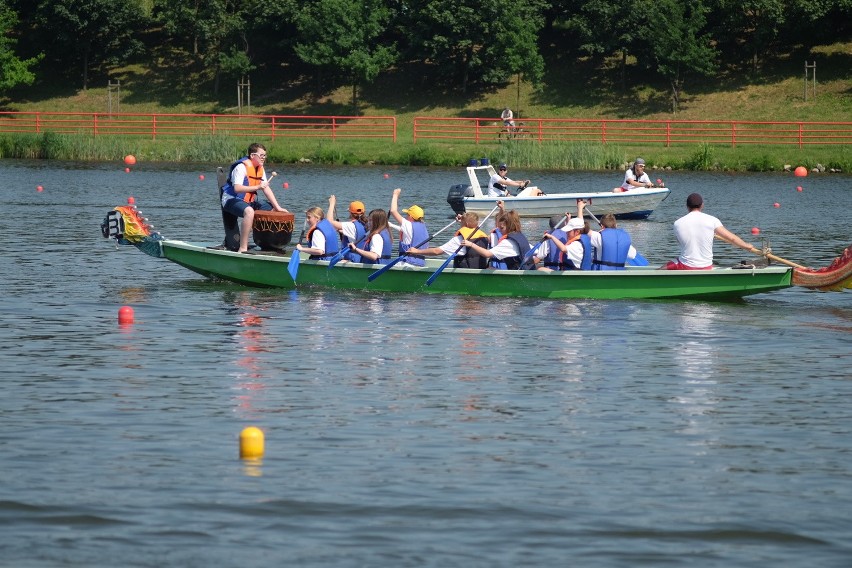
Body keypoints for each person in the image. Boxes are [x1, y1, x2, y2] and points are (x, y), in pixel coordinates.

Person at [221, 142, 289, 253]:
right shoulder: (241, 167)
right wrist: (258, 186)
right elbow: (237, 188)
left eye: (265, 155)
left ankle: (267, 244)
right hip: (231, 199)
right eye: (261, 155)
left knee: (272, 211)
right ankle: (243, 248)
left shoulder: (260, 168)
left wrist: (278, 207)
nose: (264, 158)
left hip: (249, 201)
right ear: (253, 155)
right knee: (249, 212)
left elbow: (266, 189)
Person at [664, 192, 755, 270]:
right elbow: (732, 238)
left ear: (687, 206)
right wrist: (746, 246)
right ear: (702, 205)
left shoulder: (677, 223)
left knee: (664, 267)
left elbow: (682, 243)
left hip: (685, 266)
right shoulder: (713, 220)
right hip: (706, 266)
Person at [461, 204, 535, 270]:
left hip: (518, 276)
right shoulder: (519, 235)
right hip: (523, 270)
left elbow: (487, 254)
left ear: (510, 226)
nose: (499, 230)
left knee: (488, 270)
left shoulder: (508, 242)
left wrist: (471, 244)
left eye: (502, 228)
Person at [407, 212, 490, 269]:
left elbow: (437, 251)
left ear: (466, 224)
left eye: (462, 223)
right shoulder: (484, 236)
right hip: (479, 269)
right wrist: (463, 220)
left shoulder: (460, 239)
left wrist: (417, 251)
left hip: (464, 273)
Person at [543, 201, 593, 270]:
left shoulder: (577, 245)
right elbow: (580, 222)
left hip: (575, 277)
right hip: (578, 273)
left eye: (569, 231)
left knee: (541, 269)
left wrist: (552, 237)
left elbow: (563, 249)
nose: (566, 233)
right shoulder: (584, 236)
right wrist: (577, 211)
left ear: (577, 232)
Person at [390, 188, 429, 267]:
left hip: (407, 263)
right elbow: (405, 232)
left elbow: (393, 211)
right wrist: (391, 225)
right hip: (420, 263)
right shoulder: (423, 227)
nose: (406, 216)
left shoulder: (408, 224)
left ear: (411, 216)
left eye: (407, 214)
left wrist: (395, 195)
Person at [326, 195, 368, 263]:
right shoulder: (366, 223)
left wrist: (332, 204)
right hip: (362, 258)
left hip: (353, 259)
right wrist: (341, 231)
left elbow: (329, 222)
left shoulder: (350, 226)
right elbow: (355, 234)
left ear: (350, 213)